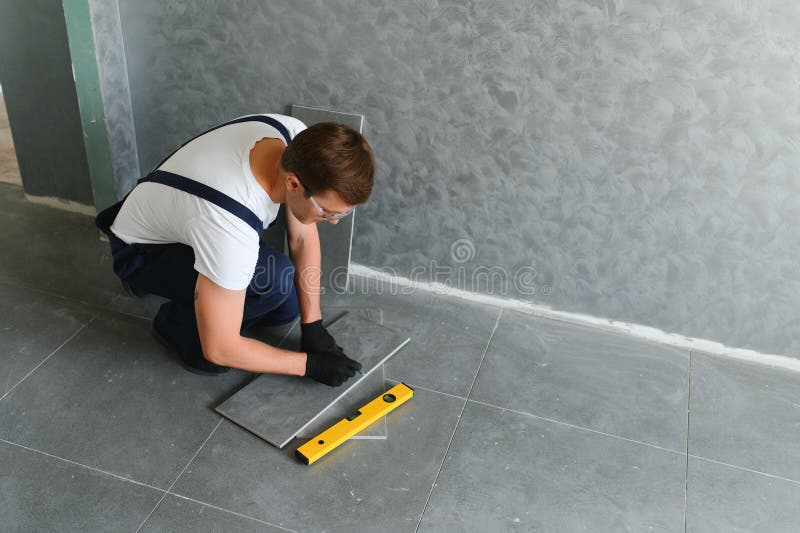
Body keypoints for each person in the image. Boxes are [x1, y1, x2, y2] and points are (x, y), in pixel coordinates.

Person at [95, 113, 374, 387]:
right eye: (328, 212)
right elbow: (220, 348)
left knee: (285, 308)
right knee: (270, 282)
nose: (333, 221)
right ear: (293, 183)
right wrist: (309, 365)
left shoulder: (295, 138)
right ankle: (176, 325)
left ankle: (198, 295)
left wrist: (313, 325)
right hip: (141, 252)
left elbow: (301, 239)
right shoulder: (228, 225)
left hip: (179, 219)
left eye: (342, 214)